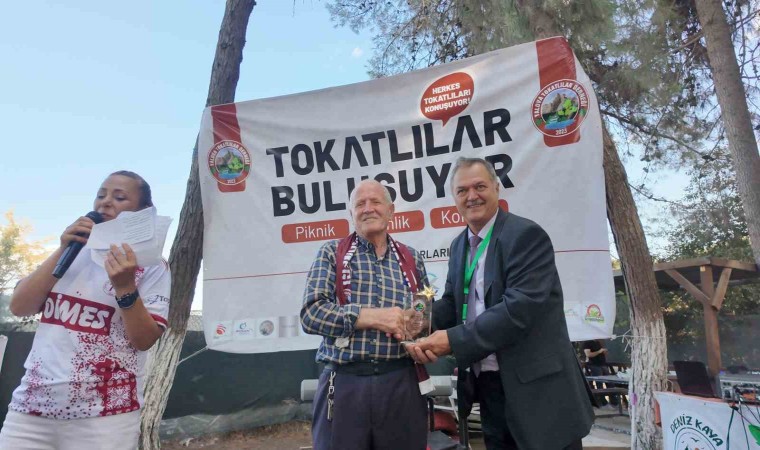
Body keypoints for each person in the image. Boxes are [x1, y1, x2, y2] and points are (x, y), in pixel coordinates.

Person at [406, 157, 594, 450]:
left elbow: (519, 309)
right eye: (462, 190)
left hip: (539, 392)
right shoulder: (458, 246)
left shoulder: (525, 235)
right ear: (454, 198)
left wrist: (453, 340)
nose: (472, 196)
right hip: (489, 388)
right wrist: (417, 319)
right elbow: (453, 302)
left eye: (480, 186)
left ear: (496, 188)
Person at [0, 171, 170, 450]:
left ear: (143, 212)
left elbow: (145, 339)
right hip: (31, 409)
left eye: (119, 197)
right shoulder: (71, 251)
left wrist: (125, 286)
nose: (105, 202)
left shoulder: (151, 266)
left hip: (105, 418)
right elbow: (20, 307)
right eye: (101, 195)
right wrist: (63, 248)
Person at [301, 179, 429, 450]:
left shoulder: (412, 258)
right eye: (360, 204)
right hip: (345, 383)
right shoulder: (331, 253)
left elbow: (423, 310)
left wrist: (417, 322)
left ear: (391, 210)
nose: (368, 208)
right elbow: (311, 314)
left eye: (375, 202)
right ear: (352, 213)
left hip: (401, 383)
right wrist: (372, 317)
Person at [582, 339, 619, 408]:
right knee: (599, 384)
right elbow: (588, 354)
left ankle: (614, 402)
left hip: (603, 364)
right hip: (594, 365)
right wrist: (599, 351)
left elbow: (600, 352)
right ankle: (603, 403)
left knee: (610, 383)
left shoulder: (597, 342)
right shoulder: (587, 342)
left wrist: (603, 352)